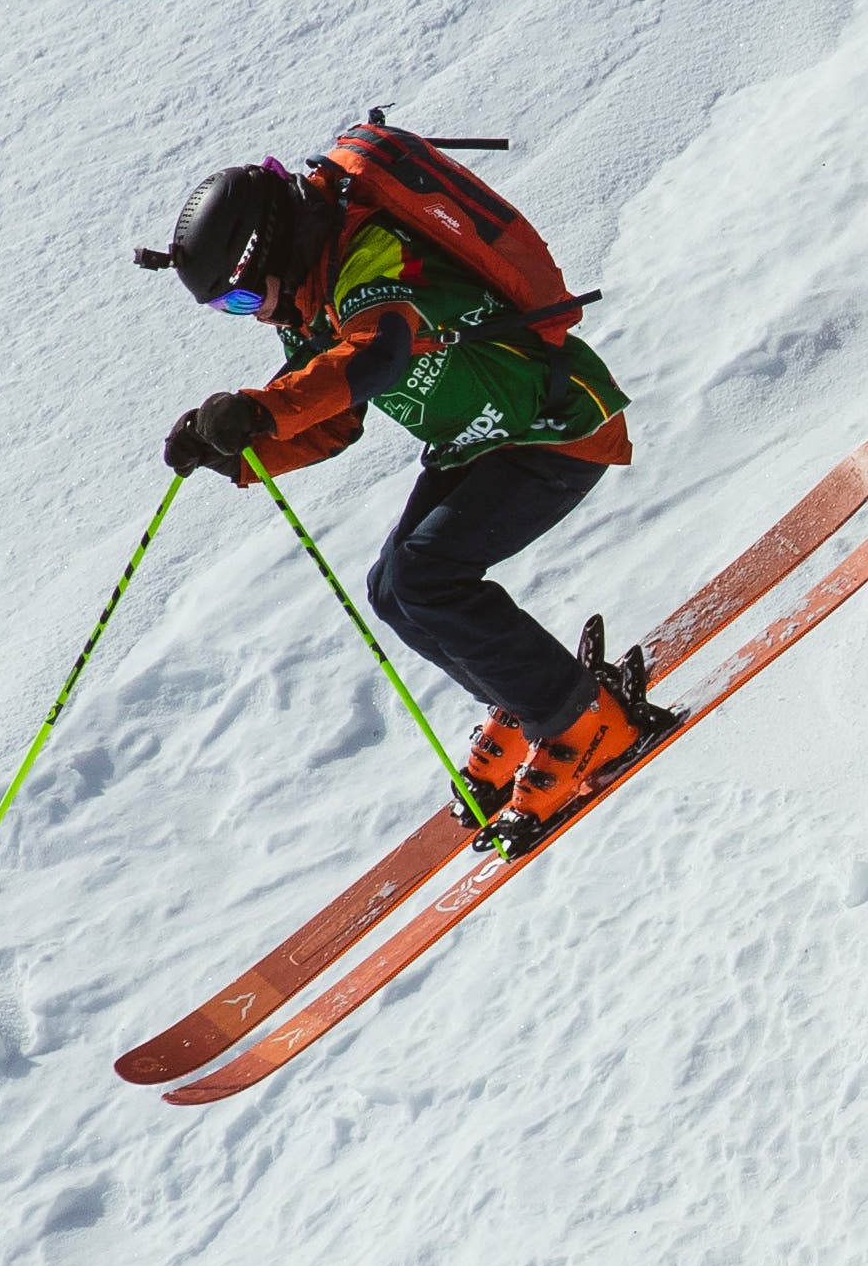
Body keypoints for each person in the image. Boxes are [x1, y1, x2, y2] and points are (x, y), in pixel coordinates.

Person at [151, 150, 669, 834]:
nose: (248, 315)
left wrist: (260, 408)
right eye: (226, 308)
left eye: (242, 296)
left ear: (267, 251)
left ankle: (587, 723)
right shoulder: (313, 300)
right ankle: (528, 703)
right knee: (392, 589)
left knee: (429, 577)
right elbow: (335, 420)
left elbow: (377, 355)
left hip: (554, 429)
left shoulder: (368, 255)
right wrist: (238, 453)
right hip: (484, 442)